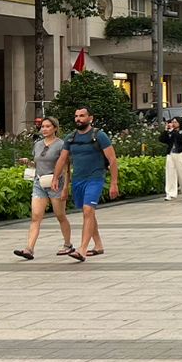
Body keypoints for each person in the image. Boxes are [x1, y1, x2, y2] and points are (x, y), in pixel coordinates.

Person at [14, 116, 83, 262]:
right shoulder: (38, 144)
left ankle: (68, 244)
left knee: (60, 215)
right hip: (39, 182)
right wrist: (28, 163)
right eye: (42, 126)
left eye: (47, 126)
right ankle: (29, 249)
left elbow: (66, 168)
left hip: (55, 183)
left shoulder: (61, 145)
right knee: (36, 216)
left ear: (55, 128)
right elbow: (38, 164)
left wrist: (65, 187)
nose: (44, 129)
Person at [55, 107, 118, 257]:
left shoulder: (99, 135)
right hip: (78, 180)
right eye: (76, 116)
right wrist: (55, 178)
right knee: (87, 212)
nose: (78, 119)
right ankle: (98, 245)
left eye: (82, 116)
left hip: (95, 178)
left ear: (90, 118)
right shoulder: (70, 138)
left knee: (88, 211)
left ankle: (82, 249)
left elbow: (112, 159)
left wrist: (114, 183)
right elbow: (63, 159)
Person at [160, 117, 182, 200]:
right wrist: (166, 131)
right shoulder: (171, 132)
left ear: (179, 123)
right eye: (172, 122)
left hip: (180, 154)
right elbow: (162, 139)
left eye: (175, 122)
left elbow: (180, 139)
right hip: (171, 154)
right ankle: (170, 193)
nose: (173, 123)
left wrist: (173, 131)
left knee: (181, 173)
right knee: (170, 173)